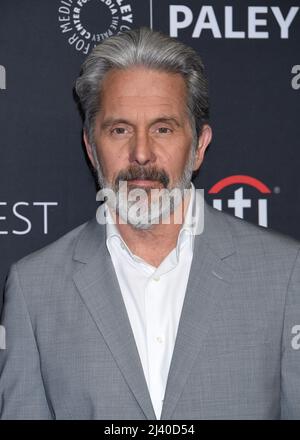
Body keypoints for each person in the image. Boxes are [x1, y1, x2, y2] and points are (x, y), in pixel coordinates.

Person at [0, 27, 299, 420]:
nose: (141, 153)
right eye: (120, 129)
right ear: (91, 147)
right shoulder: (33, 288)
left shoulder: (285, 273)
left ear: (199, 147)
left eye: (163, 128)